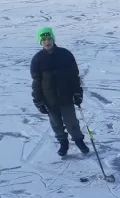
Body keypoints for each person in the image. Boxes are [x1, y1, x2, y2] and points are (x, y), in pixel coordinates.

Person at [30, 27, 89, 157]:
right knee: (56, 124)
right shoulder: (37, 60)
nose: (47, 41)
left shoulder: (65, 54)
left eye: (49, 38)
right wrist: (38, 100)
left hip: (66, 97)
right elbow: (36, 82)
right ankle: (63, 143)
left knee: (71, 122)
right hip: (49, 99)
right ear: (40, 42)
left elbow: (74, 76)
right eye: (44, 39)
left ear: (53, 39)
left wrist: (77, 93)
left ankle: (79, 141)